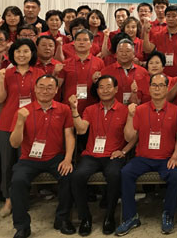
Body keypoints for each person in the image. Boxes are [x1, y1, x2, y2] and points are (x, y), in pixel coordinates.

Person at [116, 73, 177, 236]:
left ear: (167, 88)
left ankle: (168, 214)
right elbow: (130, 137)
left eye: (161, 85)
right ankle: (131, 217)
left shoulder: (176, 111)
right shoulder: (139, 110)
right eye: (154, 85)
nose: (157, 89)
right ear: (149, 88)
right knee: (125, 172)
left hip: (166, 158)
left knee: (175, 174)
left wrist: (175, 156)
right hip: (143, 158)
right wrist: (130, 116)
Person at [9, 74, 75, 238]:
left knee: (68, 177)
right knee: (17, 181)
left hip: (55, 157)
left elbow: (69, 135)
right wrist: (20, 122)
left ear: (56, 90)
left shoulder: (64, 109)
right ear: (35, 89)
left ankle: (62, 219)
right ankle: (22, 226)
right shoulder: (23, 111)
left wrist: (68, 159)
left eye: (49, 87)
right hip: (28, 159)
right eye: (41, 87)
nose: (45, 91)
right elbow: (15, 144)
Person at [69, 75, 134, 236]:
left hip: (113, 155)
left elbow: (133, 137)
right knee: (77, 176)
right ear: (97, 91)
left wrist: (124, 151)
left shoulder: (125, 110)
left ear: (116, 89)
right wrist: (74, 110)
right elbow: (81, 130)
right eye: (101, 87)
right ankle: (85, 218)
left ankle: (109, 216)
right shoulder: (90, 110)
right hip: (91, 155)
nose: (105, 90)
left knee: (114, 175)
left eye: (108, 87)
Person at [0, 39, 45, 218]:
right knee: (7, 163)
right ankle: (8, 199)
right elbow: (0, 99)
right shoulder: (6, 73)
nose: (21, 55)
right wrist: (2, 79)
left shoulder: (39, 73)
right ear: (12, 54)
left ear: (32, 53)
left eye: (25, 51)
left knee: (25, 163)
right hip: (8, 123)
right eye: (18, 51)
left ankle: (23, 198)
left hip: (33, 123)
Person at [61, 29, 105, 116]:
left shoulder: (99, 62)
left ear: (91, 43)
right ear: (74, 43)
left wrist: (96, 81)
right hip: (69, 108)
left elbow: (103, 85)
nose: (81, 43)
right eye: (78, 40)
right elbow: (58, 87)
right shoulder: (66, 63)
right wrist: (55, 73)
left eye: (85, 40)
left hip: (92, 109)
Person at [142, 5, 177, 78]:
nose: (170, 19)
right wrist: (146, 33)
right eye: (168, 16)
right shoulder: (158, 35)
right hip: (160, 75)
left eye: (174, 16)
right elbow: (147, 50)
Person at [101, 39, 150, 105]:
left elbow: (147, 97)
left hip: (137, 109)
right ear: (116, 54)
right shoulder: (106, 72)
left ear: (134, 54)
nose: (124, 54)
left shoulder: (143, 72)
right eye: (121, 51)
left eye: (127, 51)